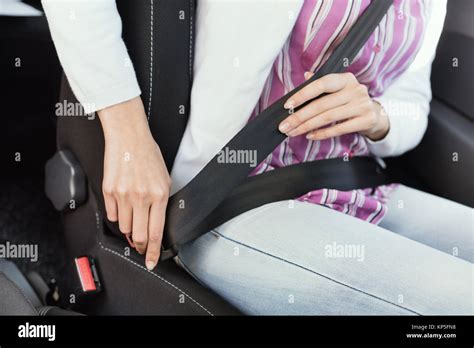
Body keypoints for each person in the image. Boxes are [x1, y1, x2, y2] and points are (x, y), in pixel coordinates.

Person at [42, 0, 473, 315]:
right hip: (234, 197)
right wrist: (128, 136)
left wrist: (377, 115)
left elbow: (412, 102)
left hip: (355, 185)